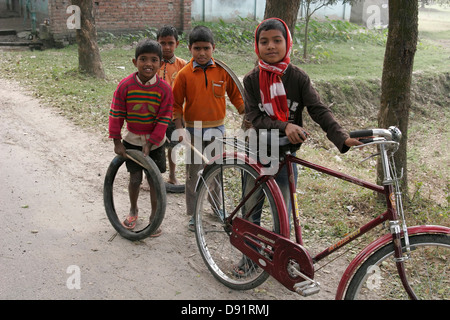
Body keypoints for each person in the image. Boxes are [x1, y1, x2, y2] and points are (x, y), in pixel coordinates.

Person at [239, 18, 362, 275]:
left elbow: (318, 109)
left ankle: (276, 258)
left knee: (281, 212)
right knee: (251, 209)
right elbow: (255, 118)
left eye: (277, 40)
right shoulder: (251, 80)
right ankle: (249, 257)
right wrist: (285, 126)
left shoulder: (298, 78)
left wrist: (341, 137)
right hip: (256, 152)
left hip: (286, 155)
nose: (270, 46)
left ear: (288, 43)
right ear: (256, 45)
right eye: (264, 42)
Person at [172, 25, 245, 231]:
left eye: (206, 48)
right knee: (193, 174)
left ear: (214, 47)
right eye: (197, 48)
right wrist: (179, 130)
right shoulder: (184, 74)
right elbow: (176, 105)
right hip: (193, 132)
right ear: (189, 49)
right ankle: (194, 214)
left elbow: (236, 97)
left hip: (217, 131)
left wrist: (246, 115)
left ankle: (216, 208)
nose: (202, 53)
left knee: (215, 172)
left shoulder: (222, 71)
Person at [108, 39, 174, 237]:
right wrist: (117, 141)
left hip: (156, 142)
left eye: (154, 60)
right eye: (143, 59)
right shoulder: (125, 86)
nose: (148, 64)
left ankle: (155, 216)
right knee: (135, 178)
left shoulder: (164, 89)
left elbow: (164, 117)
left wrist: (152, 142)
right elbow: (116, 112)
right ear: (134, 61)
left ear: (160, 64)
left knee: (154, 181)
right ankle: (133, 210)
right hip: (133, 141)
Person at [156, 26, 187, 186]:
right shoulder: (153, 63)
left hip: (175, 114)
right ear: (157, 43)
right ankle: (152, 176)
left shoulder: (183, 65)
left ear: (177, 44)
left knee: (173, 146)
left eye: (170, 43)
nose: (166, 47)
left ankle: (173, 175)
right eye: (162, 43)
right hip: (156, 114)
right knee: (155, 145)